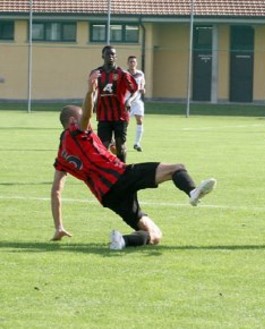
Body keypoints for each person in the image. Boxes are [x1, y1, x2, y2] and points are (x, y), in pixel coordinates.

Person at [50, 71, 217, 250]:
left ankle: (122, 241)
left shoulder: (62, 156)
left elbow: (56, 191)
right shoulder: (76, 131)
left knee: (155, 235)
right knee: (176, 168)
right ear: (72, 120)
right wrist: (90, 92)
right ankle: (192, 192)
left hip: (108, 196)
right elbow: (86, 117)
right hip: (121, 176)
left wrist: (59, 226)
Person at [90, 45, 138, 162]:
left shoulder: (122, 73)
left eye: (113, 54)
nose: (110, 56)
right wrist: (93, 102)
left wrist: (129, 100)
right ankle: (105, 172)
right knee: (102, 147)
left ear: (116, 57)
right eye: (108, 54)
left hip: (120, 115)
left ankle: (122, 171)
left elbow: (134, 91)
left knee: (120, 146)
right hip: (103, 115)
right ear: (103, 56)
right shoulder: (96, 73)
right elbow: (91, 90)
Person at [127, 55, 146, 152]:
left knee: (140, 120)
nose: (132, 63)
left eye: (134, 62)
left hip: (137, 101)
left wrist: (143, 89)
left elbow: (142, 85)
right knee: (124, 123)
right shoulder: (125, 74)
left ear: (136, 63)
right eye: (130, 62)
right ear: (128, 63)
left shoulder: (140, 74)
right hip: (127, 102)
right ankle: (120, 142)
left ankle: (137, 143)